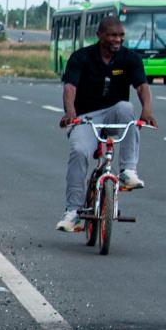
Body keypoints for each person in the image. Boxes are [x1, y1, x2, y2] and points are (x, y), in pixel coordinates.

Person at [57, 16, 156, 232]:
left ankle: (128, 170)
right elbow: (70, 87)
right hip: (86, 117)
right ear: (100, 35)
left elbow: (142, 86)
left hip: (114, 116)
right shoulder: (81, 57)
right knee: (79, 151)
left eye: (121, 35)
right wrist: (70, 112)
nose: (117, 39)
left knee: (126, 108)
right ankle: (73, 212)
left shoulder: (129, 59)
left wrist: (147, 110)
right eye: (112, 35)